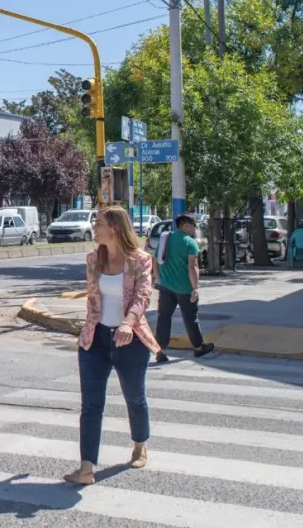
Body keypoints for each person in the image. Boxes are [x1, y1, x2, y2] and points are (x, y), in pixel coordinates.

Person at [64, 206, 161, 486]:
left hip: (130, 340)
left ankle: (140, 445)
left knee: (134, 397)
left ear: (115, 228)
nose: (95, 227)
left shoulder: (140, 260)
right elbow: (93, 299)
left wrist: (128, 323)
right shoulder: (93, 258)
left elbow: (143, 296)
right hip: (95, 339)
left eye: (99, 223)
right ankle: (86, 467)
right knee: (91, 405)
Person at [154, 214, 215, 363]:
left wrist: (158, 278)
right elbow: (192, 266)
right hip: (185, 289)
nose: (194, 229)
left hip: (166, 287)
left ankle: (160, 351)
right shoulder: (190, 242)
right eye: (193, 226)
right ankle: (199, 348)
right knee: (190, 318)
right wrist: (195, 288)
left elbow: (154, 260)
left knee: (163, 318)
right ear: (186, 225)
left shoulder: (166, 240)